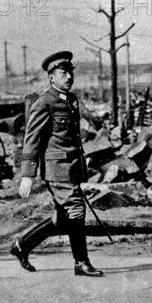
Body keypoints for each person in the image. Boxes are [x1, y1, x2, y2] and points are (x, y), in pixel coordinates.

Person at [10, 51, 103, 277]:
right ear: (52, 77)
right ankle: (81, 262)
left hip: (71, 167)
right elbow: (31, 140)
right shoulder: (44, 103)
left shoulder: (70, 100)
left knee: (62, 219)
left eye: (71, 72)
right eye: (64, 73)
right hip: (56, 169)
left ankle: (21, 246)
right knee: (76, 209)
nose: (69, 77)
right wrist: (27, 174)